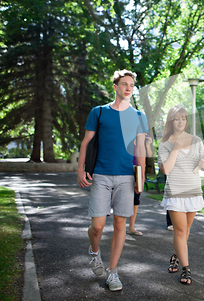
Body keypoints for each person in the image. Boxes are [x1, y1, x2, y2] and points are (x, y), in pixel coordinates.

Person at [77, 70, 148, 291]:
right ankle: (95, 253)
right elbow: (86, 142)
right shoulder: (99, 113)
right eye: (124, 84)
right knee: (97, 226)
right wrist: (80, 170)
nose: (128, 88)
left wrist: (141, 176)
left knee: (120, 224)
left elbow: (141, 149)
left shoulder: (138, 116)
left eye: (131, 85)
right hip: (101, 174)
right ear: (115, 86)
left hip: (127, 177)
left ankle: (113, 271)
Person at [158, 105, 204, 285]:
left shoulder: (196, 140)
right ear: (171, 121)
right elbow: (166, 169)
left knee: (185, 231)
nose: (181, 122)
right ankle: (186, 269)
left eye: (184, 118)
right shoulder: (165, 143)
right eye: (177, 119)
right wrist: (176, 148)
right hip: (175, 192)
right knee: (180, 230)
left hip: (194, 190)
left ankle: (176, 255)